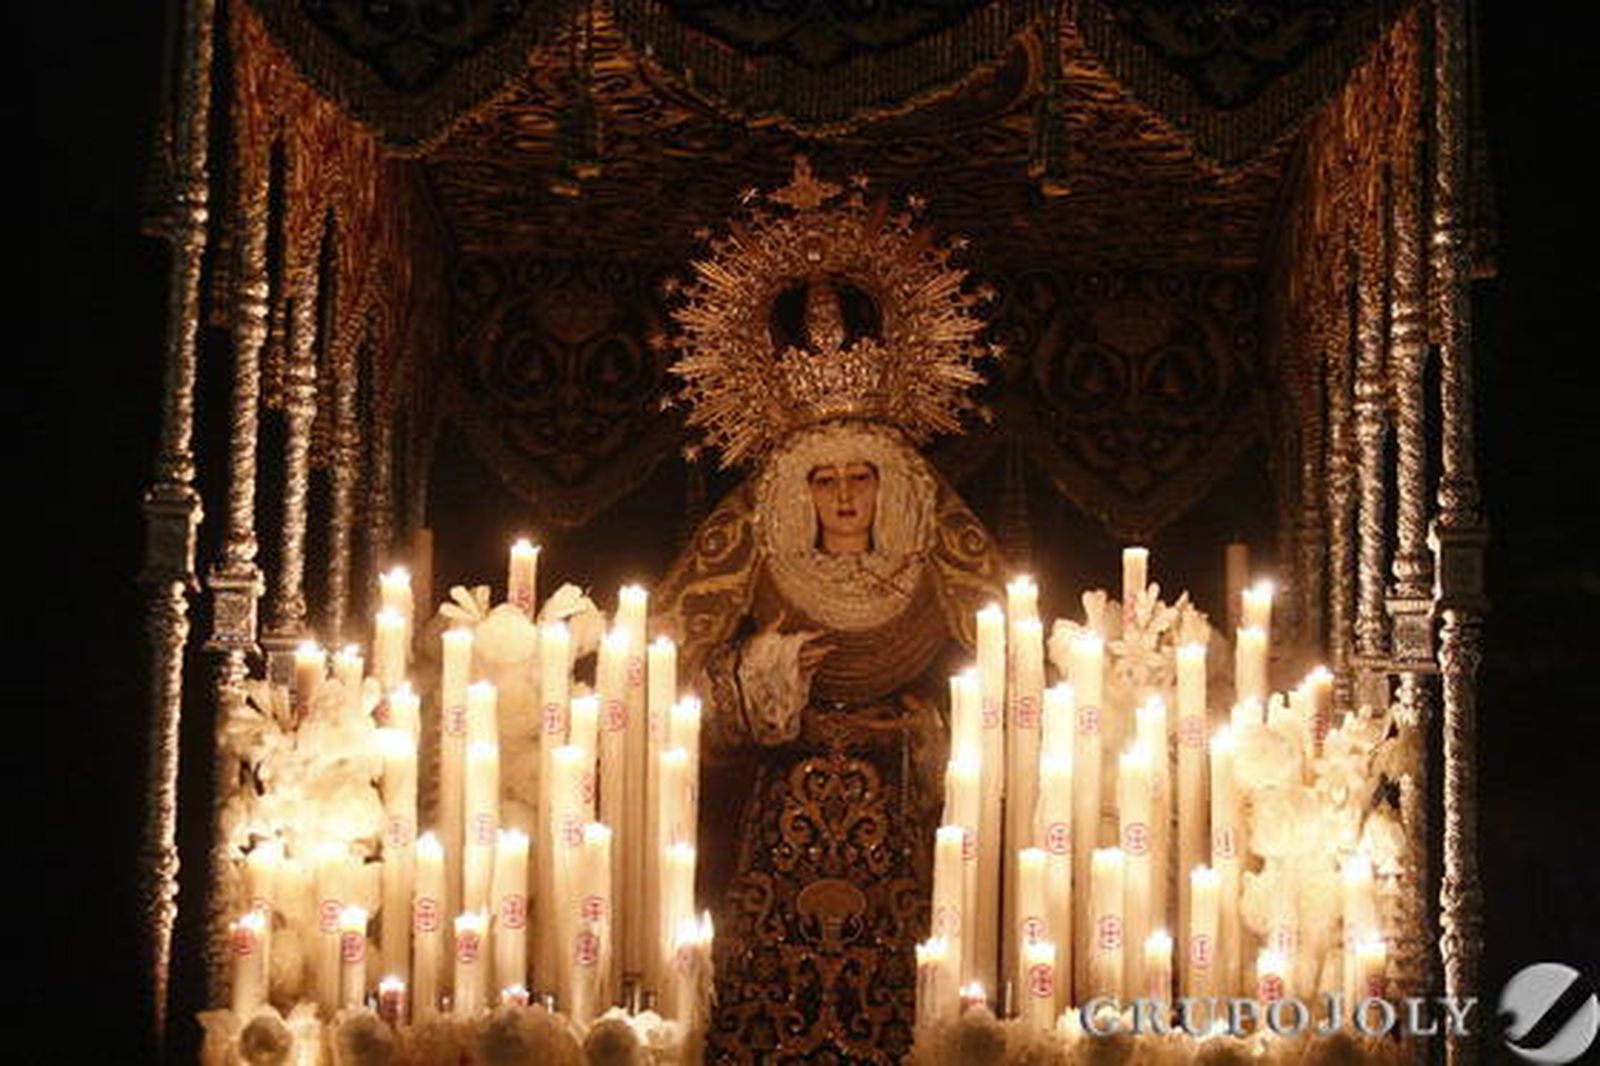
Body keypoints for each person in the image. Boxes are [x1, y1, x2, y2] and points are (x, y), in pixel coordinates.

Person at [652, 415, 1002, 1062]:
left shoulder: (930, 579)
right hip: (783, 808)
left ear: (888, 486)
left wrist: (931, 733)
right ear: (798, 492)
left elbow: (1006, 688)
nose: (844, 496)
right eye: (824, 479)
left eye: (861, 477)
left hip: (898, 803)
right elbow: (669, 687)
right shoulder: (768, 575)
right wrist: (764, 671)